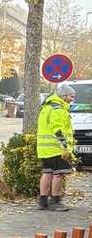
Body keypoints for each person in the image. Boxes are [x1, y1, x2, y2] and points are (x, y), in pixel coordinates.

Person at [37, 84, 76, 212]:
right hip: (56, 148)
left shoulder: (47, 107)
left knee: (47, 172)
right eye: (71, 96)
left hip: (45, 149)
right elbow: (57, 129)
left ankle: (43, 201)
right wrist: (64, 145)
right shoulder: (58, 109)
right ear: (63, 96)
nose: (72, 99)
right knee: (59, 175)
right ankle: (55, 202)